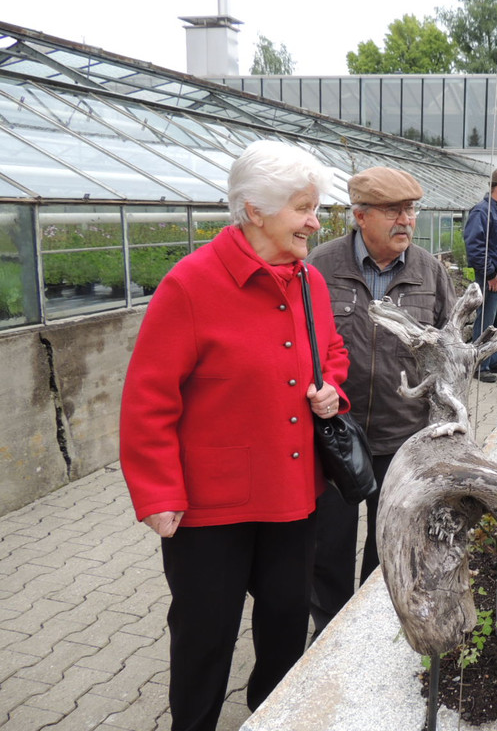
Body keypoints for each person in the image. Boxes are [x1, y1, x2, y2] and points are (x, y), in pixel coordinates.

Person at [119, 140, 350, 731]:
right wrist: (157, 492)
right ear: (255, 211)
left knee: (285, 622)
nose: (315, 222)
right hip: (209, 505)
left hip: (294, 493)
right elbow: (149, 398)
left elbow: (331, 349)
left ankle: (271, 715)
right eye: (303, 208)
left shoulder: (309, 281)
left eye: (315, 207)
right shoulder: (191, 284)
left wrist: (331, 388)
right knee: (205, 632)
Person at [306, 166, 455, 637]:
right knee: (327, 547)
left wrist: (447, 429)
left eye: (410, 210)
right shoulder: (321, 267)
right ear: (361, 216)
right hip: (334, 438)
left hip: (402, 436)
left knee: (389, 544)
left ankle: (372, 629)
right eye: (393, 211)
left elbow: (451, 352)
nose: (406, 220)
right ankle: (328, 634)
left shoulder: (429, 272)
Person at [464, 168, 497, 382]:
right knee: (486, 320)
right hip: (491, 276)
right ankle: (479, 365)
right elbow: (475, 246)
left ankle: (492, 359)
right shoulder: (482, 212)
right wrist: (490, 273)